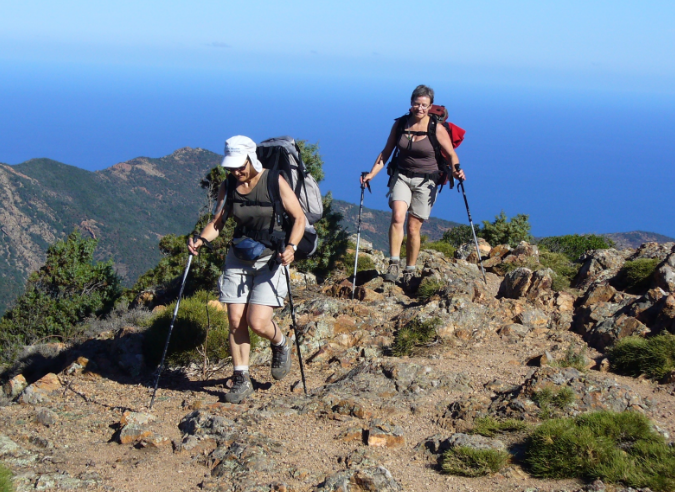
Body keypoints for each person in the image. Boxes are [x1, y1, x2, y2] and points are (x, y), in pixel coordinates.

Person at [188, 135, 306, 403]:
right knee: (235, 321)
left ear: (252, 159)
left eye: (240, 166)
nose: (236, 172)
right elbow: (217, 222)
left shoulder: (274, 181)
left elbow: (299, 218)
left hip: (271, 258)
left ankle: (280, 343)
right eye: (231, 167)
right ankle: (241, 378)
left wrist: (292, 247)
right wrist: (202, 240)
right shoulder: (228, 186)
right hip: (238, 256)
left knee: (258, 322)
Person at [361, 85, 466, 284]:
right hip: (401, 176)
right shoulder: (400, 124)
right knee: (398, 216)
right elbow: (386, 152)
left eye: (424, 105)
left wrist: (456, 170)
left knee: (413, 227)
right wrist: (371, 174)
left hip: (426, 181)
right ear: (411, 103)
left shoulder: (436, 128)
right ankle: (393, 262)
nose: (420, 108)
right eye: (417, 104)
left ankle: (409, 269)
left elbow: (451, 154)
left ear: (430, 106)